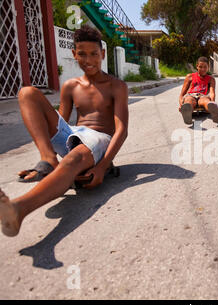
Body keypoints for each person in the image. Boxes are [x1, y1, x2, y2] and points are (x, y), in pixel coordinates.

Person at [0, 25, 129, 237]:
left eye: (94, 54)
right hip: (75, 134)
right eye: (82, 54)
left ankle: (17, 210)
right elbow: (60, 124)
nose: (88, 60)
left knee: (72, 160)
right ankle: (48, 160)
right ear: (73, 54)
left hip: (99, 139)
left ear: (103, 54)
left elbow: (121, 129)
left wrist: (103, 166)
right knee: (27, 93)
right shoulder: (70, 86)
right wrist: (49, 153)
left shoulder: (117, 86)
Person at [179, 57, 218, 124]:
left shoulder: (211, 79)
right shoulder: (190, 76)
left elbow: (212, 92)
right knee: (189, 100)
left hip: (203, 96)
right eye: (200, 67)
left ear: (208, 67)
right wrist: (181, 105)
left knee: (205, 101)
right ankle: (187, 111)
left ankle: (212, 110)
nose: (203, 69)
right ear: (197, 66)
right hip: (191, 95)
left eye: (205, 67)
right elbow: (182, 94)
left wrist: (212, 102)